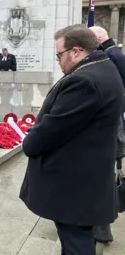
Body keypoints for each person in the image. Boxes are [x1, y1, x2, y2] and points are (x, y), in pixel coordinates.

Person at [19, 25, 124, 255]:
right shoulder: (104, 69)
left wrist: (29, 142)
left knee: (76, 243)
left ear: (76, 51)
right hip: (86, 177)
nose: (57, 60)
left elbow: (53, 128)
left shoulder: (84, 81)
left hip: (74, 183)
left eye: (59, 54)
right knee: (76, 240)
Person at [89, 26, 125, 248]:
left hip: (111, 124)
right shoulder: (113, 55)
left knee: (103, 179)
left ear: (98, 39)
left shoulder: (111, 57)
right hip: (114, 123)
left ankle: (101, 228)